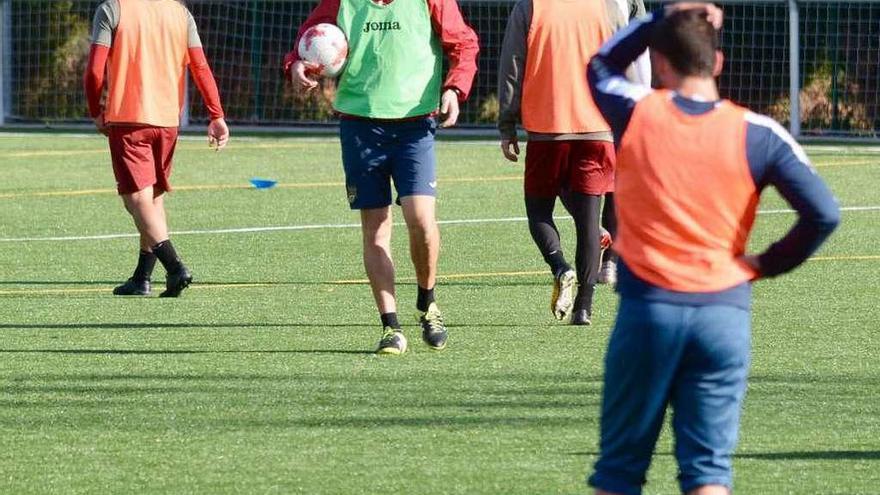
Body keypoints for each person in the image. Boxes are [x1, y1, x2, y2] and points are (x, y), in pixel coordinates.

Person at [585, 3, 840, 494]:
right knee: (707, 474)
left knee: (618, 472)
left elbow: (600, 64)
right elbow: (824, 213)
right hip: (722, 315)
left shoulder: (637, 111)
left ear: (659, 63)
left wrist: (661, 15)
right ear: (717, 63)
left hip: (649, 311)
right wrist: (763, 263)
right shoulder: (758, 132)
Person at [284, 0, 479, 354]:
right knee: (376, 227)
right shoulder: (341, 3)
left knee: (421, 220)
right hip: (360, 125)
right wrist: (296, 64)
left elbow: (463, 43)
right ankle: (390, 326)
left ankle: (428, 303)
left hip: (415, 125)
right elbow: (306, 40)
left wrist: (454, 88)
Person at [497, 0, 646, 325]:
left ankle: (560, 267)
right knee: (589, 222)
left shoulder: (530, 6)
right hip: (597, 127)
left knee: (538, 212)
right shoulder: (605, 7)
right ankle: (584, 305)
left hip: (545, 127)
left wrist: (507, 123)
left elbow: (512, 64)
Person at [84, 0, 229, 297]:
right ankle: (142, 277)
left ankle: (175, 267)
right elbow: (200, 66)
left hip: (128, 117)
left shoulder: (113, 9)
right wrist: (216, 115)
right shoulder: (180, 12)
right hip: (167, 121)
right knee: (152, 198)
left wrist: (95, 110)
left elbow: (95, 71)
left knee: (135, 201)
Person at [598, 0, 652, 287]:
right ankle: (606, 255)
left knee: (608, 179)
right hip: (609, 92)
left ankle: (607, 258)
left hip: (589, 92)